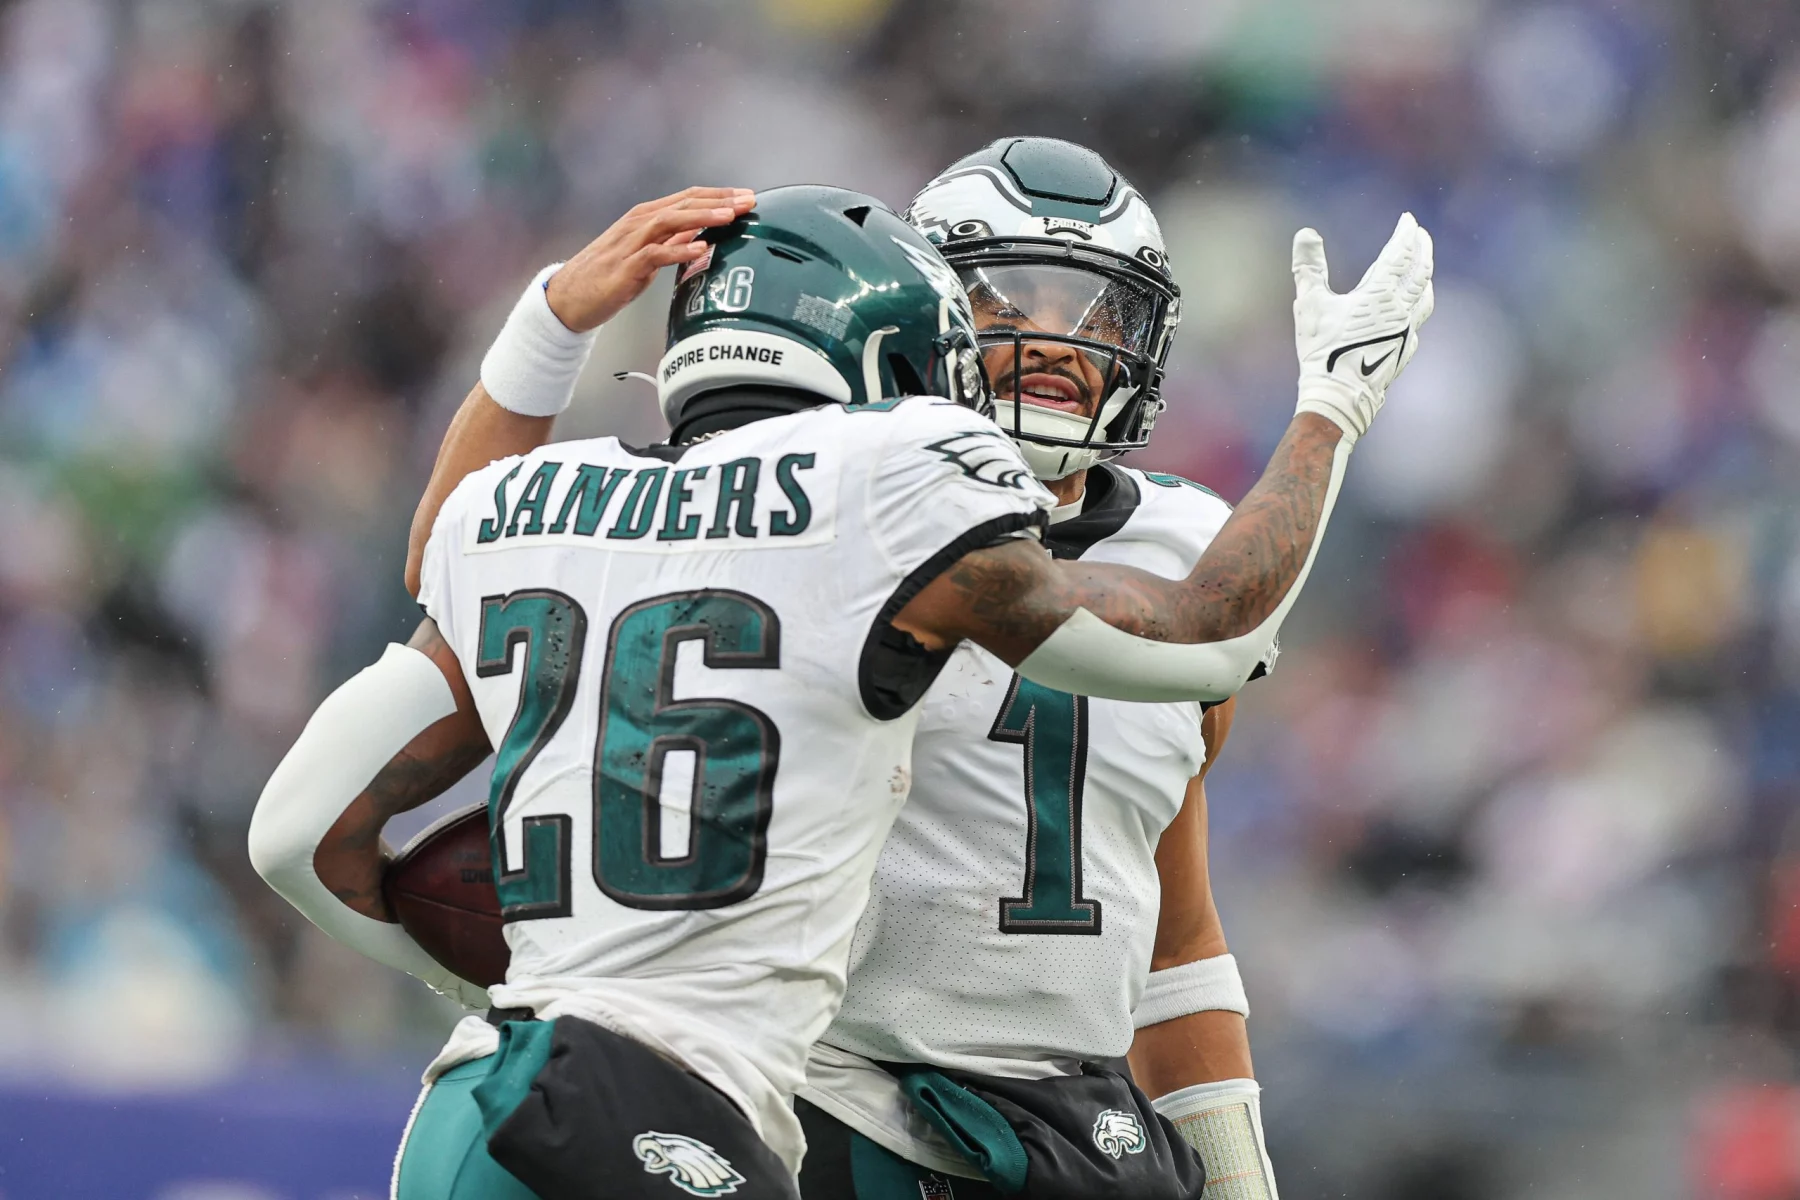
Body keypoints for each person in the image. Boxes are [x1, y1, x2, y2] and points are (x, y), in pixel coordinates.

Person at [251, 179, 1431, 1199]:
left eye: (1097, 312)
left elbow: (411, 621)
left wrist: (547, 325)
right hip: (799, 1111)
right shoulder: (890, 479)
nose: (1058, 344)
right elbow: (1206, 629)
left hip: (592, 1087)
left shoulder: (549, 513)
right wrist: (1329, 417)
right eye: (1003, 306)